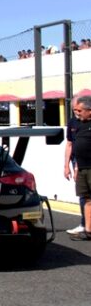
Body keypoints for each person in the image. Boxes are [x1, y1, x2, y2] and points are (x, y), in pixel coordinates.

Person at [64, 95, 91, 239]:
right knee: (85, 198)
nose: (77, 113)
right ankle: (87, 229)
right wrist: (72, 166)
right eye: (75, 110)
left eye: (80, 111)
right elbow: (71, 145)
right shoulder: (77, 124)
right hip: (81, 166)